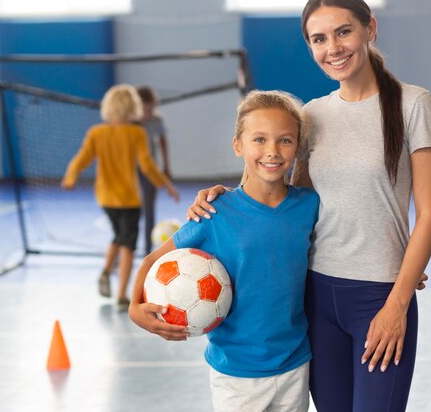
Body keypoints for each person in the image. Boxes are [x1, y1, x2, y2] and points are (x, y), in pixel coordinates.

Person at [186, 0, 431, 411]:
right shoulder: (314, 115)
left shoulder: (414, 104)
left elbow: (430, 215)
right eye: (319, 39)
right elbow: (287, 196)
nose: (333, 48)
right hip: (315, 296)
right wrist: (225, 197)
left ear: (370, 29)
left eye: (344, 32)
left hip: (380, 298)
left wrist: (397, 301)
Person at [130, 90, 320, 412]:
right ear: (238, 145)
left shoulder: (310, 206)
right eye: (259, 139)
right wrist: (135, 308)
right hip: (236, 373)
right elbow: (152, 260)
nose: (272, 151)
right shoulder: (214, 213)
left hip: (295, 364)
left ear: (297, 146)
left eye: (284, 140)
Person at [61, 84, 179, 312]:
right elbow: (147, 166)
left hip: (105, 198)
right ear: (132, 107)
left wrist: (71, 177)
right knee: (128, 246)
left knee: (118, 236)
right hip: (127, 200)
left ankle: (106, 270)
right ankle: (122, 295)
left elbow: (81, 158)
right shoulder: (136, 133)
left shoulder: (96, 132)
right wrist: (167, 185)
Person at [136, 86, 172, 255]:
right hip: (129, 171)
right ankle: (124, 250)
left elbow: (163, 141)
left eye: (150, 109)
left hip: (149, 170)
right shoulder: (128, 122)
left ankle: (148, 253)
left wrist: (166, 166)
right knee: (130, 212)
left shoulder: (156, 121)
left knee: (149, 210)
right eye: (143, 109)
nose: (147, 113)